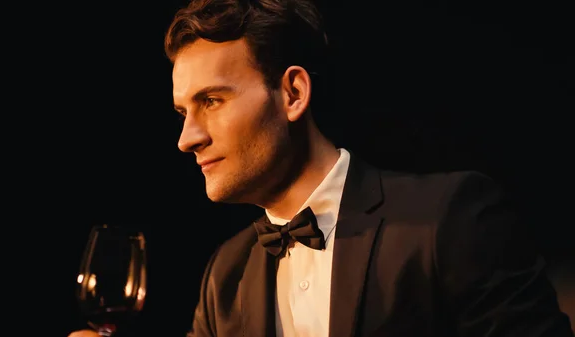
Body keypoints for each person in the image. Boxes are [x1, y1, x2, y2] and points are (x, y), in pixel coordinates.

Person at [69, 0, 574, 336]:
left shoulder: (449, 218)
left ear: (292, 93)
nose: (187, 138)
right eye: (184, 113)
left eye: (212, 100)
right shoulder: (224, 275)